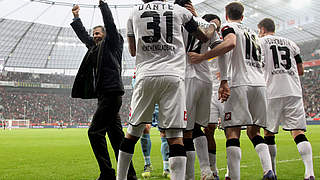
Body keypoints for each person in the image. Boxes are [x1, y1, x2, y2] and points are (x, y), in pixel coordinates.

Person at [116, 0, 214, 180]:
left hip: (145, 75)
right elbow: (203, 36)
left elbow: (132, 50)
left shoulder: (133, 12)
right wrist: (210, 24)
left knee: (132, 133)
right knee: (175, 137)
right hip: (174, 76)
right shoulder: (179, 11)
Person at [188, 2, 276, 180]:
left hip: (235, 83)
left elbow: (228, 45)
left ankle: (232, 175)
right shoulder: (252, 33)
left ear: (226, 15)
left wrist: (211, 66)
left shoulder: (227, 29)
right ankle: (268, 170)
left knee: (232, 131)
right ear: (243, 16)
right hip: (258, 84)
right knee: (253, 132)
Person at [70, 1, 136, 180]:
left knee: (94, 132)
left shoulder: (113, 43)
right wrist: (76, 18)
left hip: (111, 93)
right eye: (94, 35)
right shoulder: (95, 48)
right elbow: (84, 36)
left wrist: (103, 5)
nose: (95, 36)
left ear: (106, 35)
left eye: (98, 34)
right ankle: (130, 175)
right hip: (105, 96)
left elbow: (110, 25)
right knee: (116, 137)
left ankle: (107, 173)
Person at [258, 18, 315, 180]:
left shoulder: (260, 42)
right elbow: (301, 70)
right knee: (298, 132)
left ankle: (273, 171)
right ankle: (309, 172)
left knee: (268, 133)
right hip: (293, 91)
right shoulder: (291, 43)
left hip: (271, 91)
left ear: (262, 29)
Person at [175, 1, 221, 178]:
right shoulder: (206, 24)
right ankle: (206, 169)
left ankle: (192, 175)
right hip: (205, 79)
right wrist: (204, 56)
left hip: (186, 77)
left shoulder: (176, 22)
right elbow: (219, 48)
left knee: (185, 131)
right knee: (198, 128)